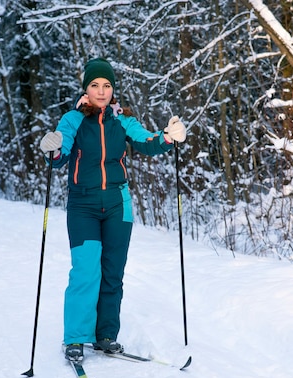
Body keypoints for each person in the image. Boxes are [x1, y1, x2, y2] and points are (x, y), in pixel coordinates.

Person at [38, 58, 187, 362]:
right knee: (85, 270)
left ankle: (106, 335)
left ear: (113, 88)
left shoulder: (122, 120)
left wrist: (168, 137)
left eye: (106, 85)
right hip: (83, 206)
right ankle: (77, 337)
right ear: (86, 88)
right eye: (95, 85)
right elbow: (61, 151)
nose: (101, 91)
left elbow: (147, 140)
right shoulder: (73, 119)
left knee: (112, 273)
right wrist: (52, 149)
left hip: (119, 206)